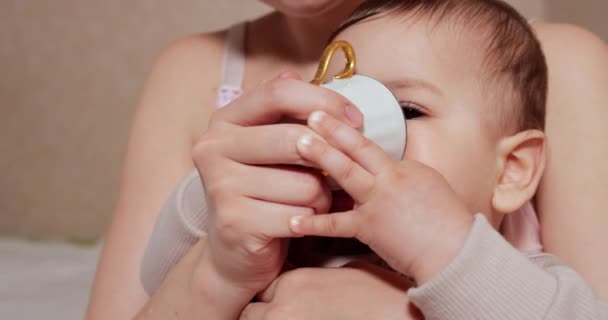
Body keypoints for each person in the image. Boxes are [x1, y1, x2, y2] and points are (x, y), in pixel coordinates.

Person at [85, 0, 608, 319]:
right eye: (339, 102)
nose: (349, 133)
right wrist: (218, 201)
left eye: (407, 109)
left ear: (512, 171)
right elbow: (161, 280)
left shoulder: (524, 280)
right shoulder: (296, 248)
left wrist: (446, 252)